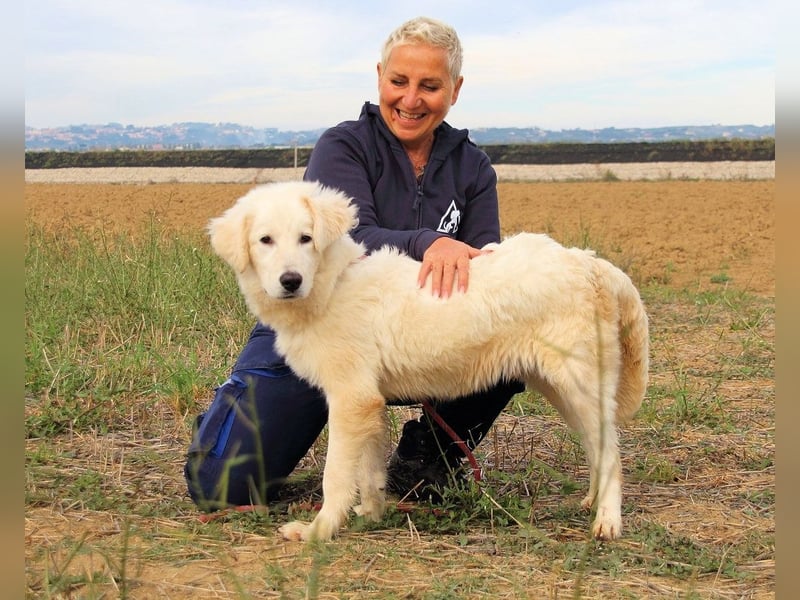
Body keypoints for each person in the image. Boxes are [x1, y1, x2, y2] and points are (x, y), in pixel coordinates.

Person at [184, 16, 524, 511]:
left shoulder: (473, 167)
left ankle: (427, 455)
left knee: (508, 332)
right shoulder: (343, 147)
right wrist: (431, 242)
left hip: (412, 337)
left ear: (455, 89)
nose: (411, 99)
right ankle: (237, 411)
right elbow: (353, 235)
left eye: (430, 86)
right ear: (380, 75)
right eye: (399, 82)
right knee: (220, 486)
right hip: (313, 327)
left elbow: (483, 269)